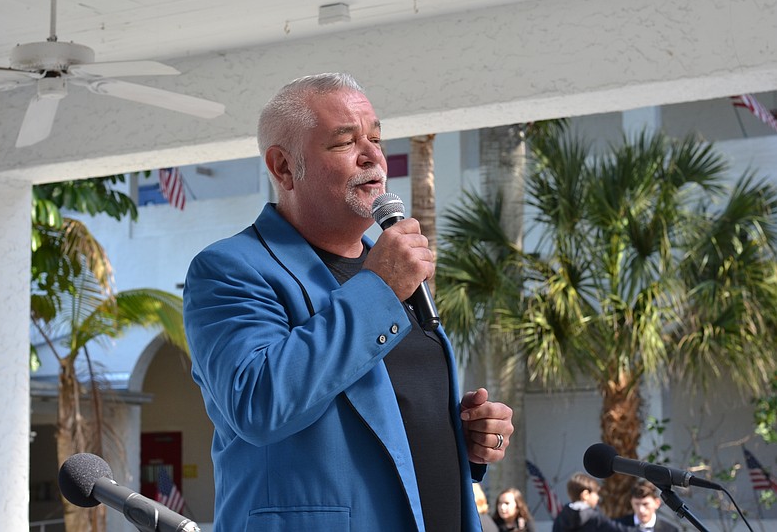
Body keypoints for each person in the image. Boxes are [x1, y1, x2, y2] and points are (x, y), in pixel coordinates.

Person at [183, 72, 515, 531]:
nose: (374, 156)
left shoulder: (391, 273)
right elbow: (258, 404)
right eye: (345, 143)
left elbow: (388, 420)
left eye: (376, 138)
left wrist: (467, 440)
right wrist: (378, 289)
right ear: (283, 167)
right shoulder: (229, 269)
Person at [552, 473, 637, 532]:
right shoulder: (594, 517)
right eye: (596, 493)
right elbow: (617, 530)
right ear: (585, 495)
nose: (597, 498)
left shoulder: (560, 517)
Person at [614, 479, 679, 532]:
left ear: (657, 503)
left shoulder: (671, 530)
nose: (641, 510)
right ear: (631, 502)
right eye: (637, 504)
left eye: (645, 504)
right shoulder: (617, 526)